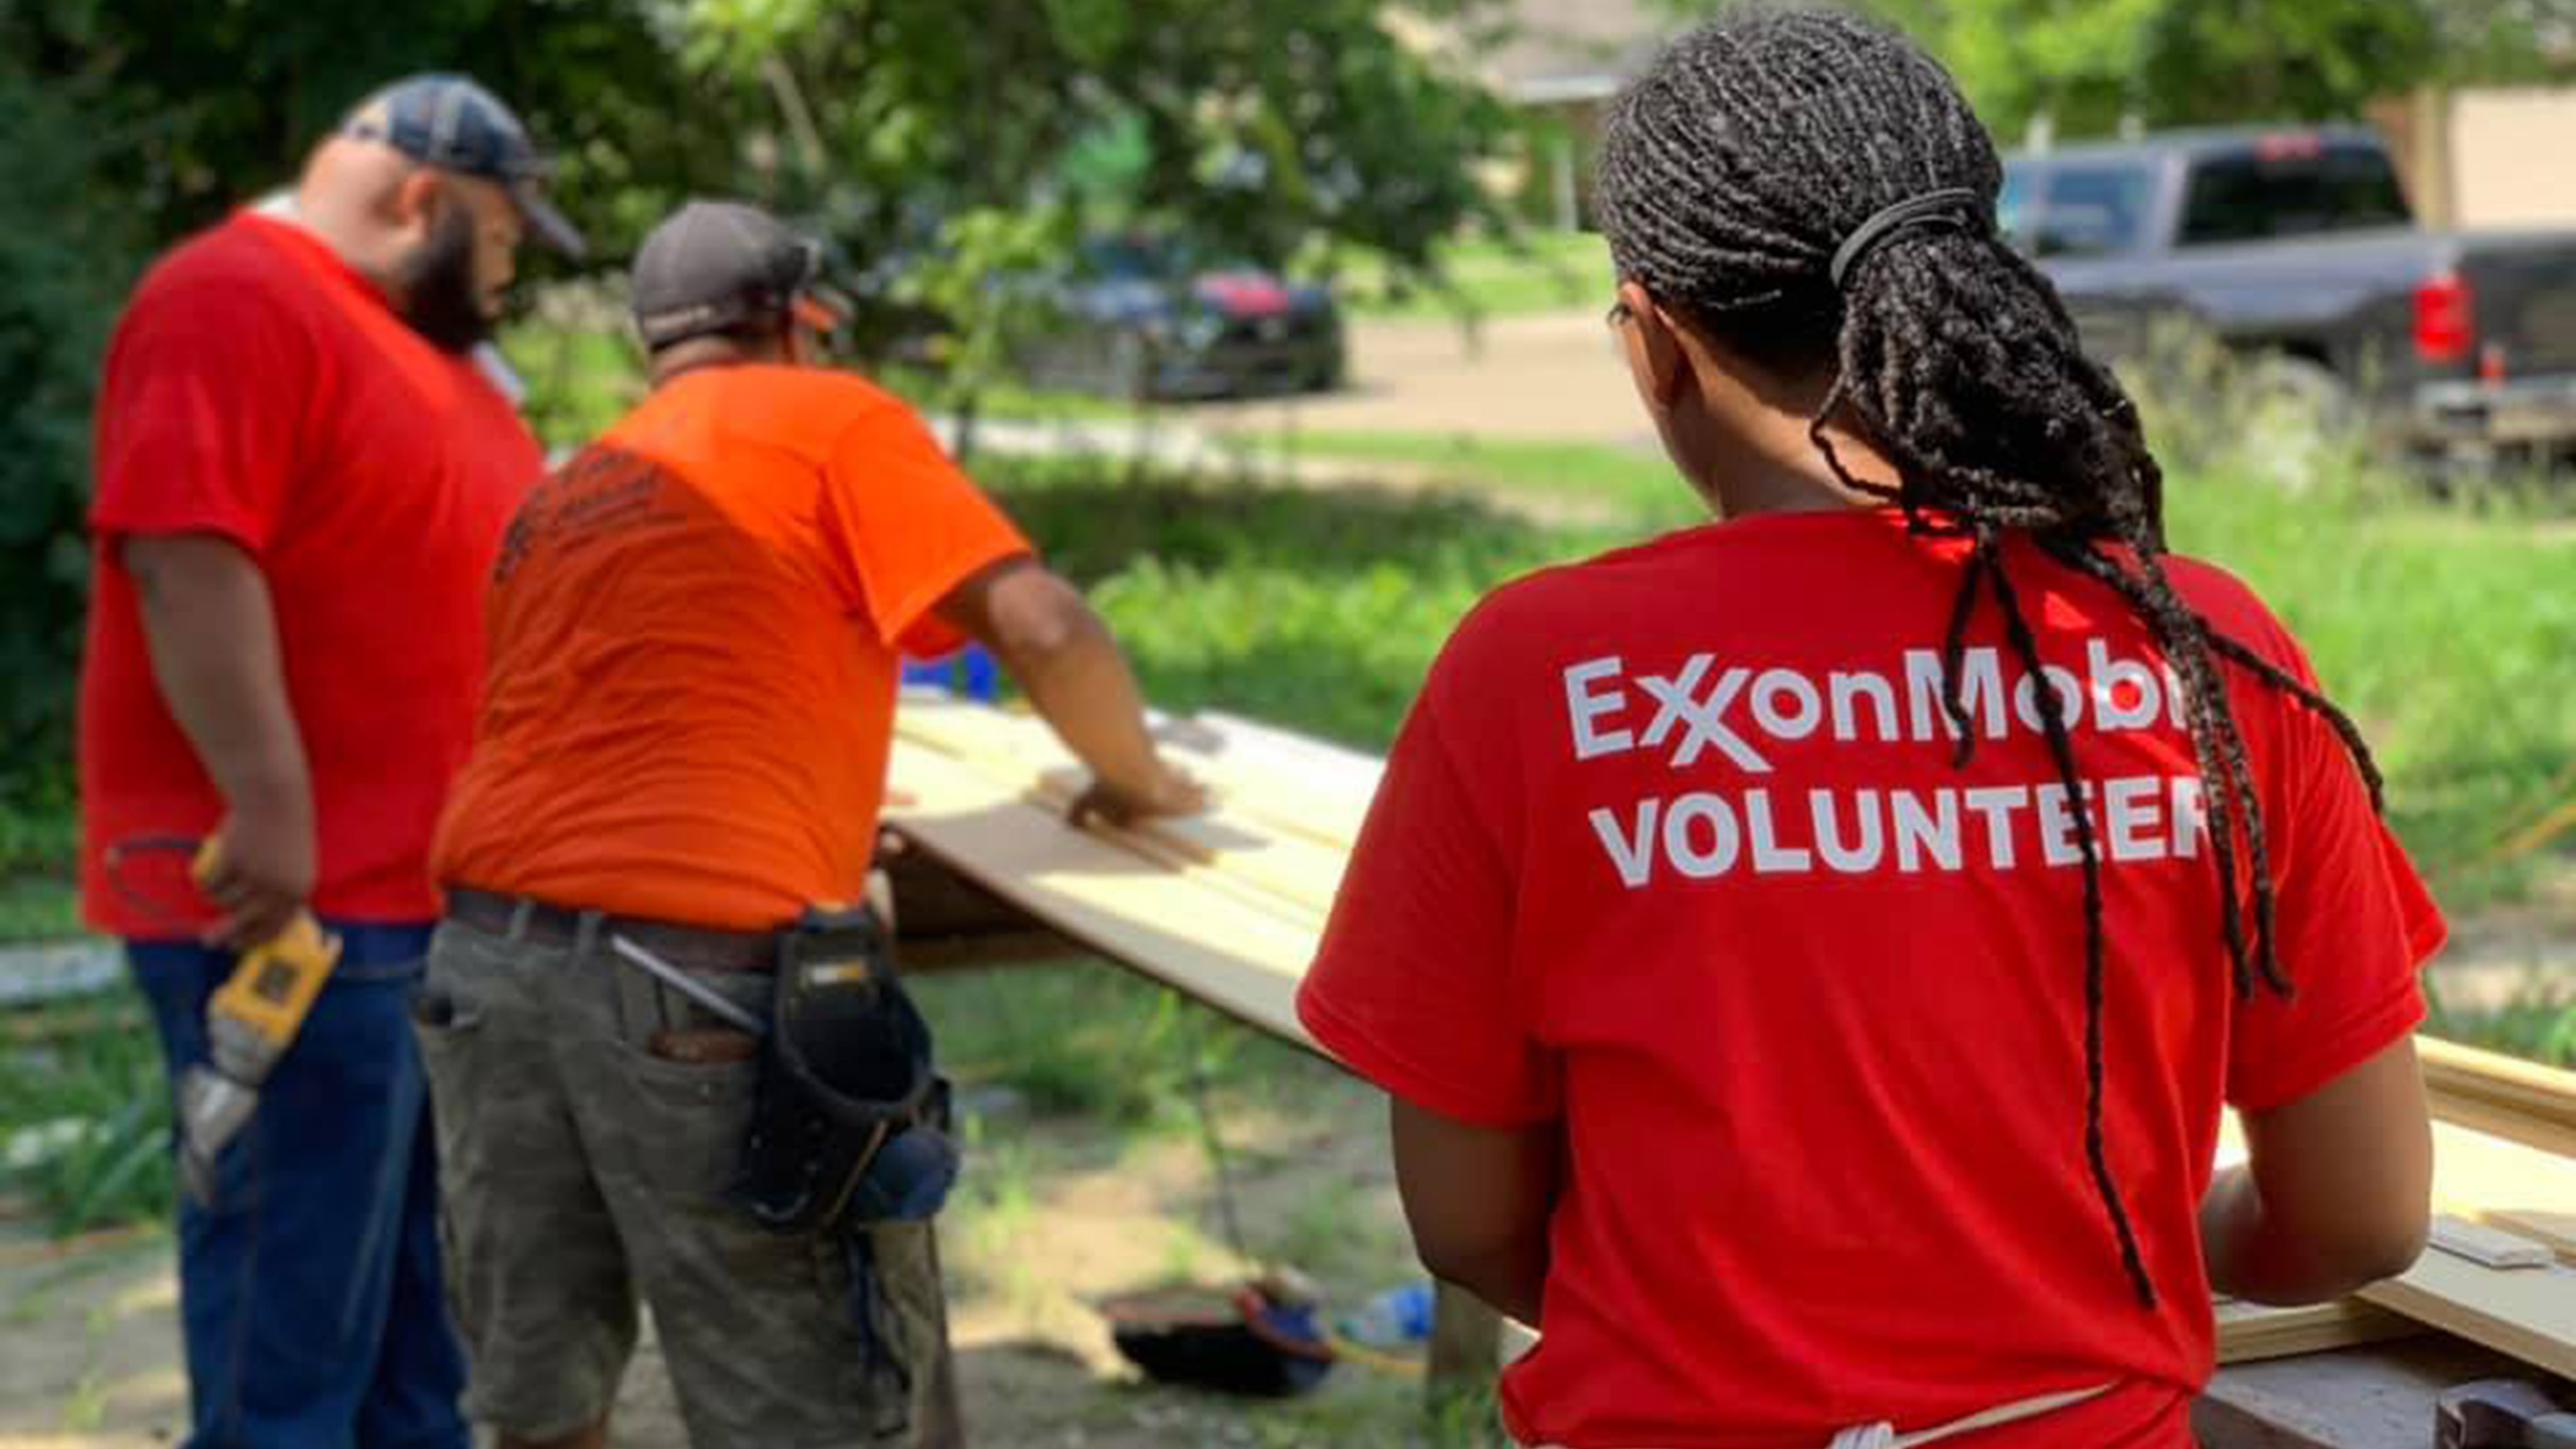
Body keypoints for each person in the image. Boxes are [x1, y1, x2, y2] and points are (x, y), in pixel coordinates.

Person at [1294, 10, 2441, 1448]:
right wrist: (2097, 1249)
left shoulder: (1538, 671)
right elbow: (2366, 1214)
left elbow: (1468, 1224)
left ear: (1653, 345)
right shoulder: (2205, 659)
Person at [418, 199, 1203, 1449]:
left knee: (541, 1398)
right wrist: (1142, 779)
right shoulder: (832, 417)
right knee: (808, 1408)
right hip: (690, 985)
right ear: (796, 322)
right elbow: (1044, 628)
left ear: (654, 351)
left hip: (481, 968)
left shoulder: (578, 487)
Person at [78, 73, 580, 1449]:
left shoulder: (414, 344)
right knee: (290, 1340)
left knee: (416, 1336)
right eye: (499, 230)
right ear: (422, 197)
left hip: (423, 908)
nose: (512, 259)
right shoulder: (234, 298)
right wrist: (270, 802)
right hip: (295, 908)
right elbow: (185, 550)